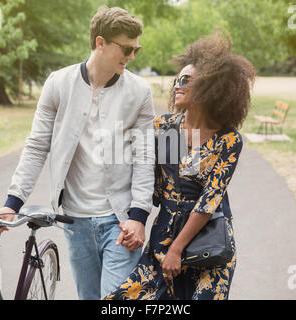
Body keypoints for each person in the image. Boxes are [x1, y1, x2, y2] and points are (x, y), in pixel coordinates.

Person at [0, 6, 156, 300]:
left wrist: (139, 216)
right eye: (127, 49)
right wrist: (12, 203)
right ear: (100, 42)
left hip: (120, 222)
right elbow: (37, 145)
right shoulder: (58, 83)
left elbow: (145, 157)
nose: (131, 57)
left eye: (136, 51)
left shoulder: (139, 92)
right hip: (74, 221)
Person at [105, 33, 255, 300]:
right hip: (164, 237)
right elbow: (150, 183)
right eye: (178, 79)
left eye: (187, 80)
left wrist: (177, 249)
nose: (178, 85)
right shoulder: (166, 128)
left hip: (209, 245)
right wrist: (132, 221)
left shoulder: (227, 140)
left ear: (211, 87)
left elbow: (207, 203)